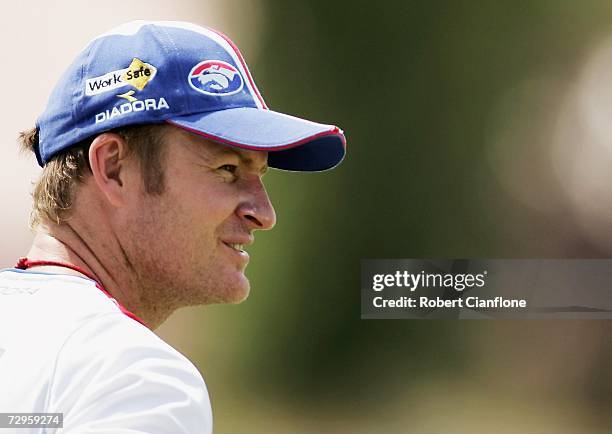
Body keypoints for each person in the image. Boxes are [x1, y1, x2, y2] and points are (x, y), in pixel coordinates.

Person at [0, 20, 345, 433]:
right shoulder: (136, 378)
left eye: (261, 175)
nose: (264, 213)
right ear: (113, 169)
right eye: (228, 168)